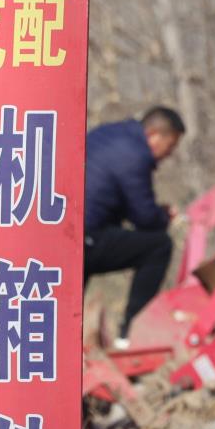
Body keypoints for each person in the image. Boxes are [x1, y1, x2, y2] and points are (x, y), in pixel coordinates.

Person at [83, 106, 185, 346]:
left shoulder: (109, 134)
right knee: (158, 246)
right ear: (155, 135)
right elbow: (145, 218)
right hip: (88, 236)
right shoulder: (134, 154)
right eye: (170, 146)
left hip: (67, 233)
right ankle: (130, 333)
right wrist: (164, 216)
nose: (167, 155)